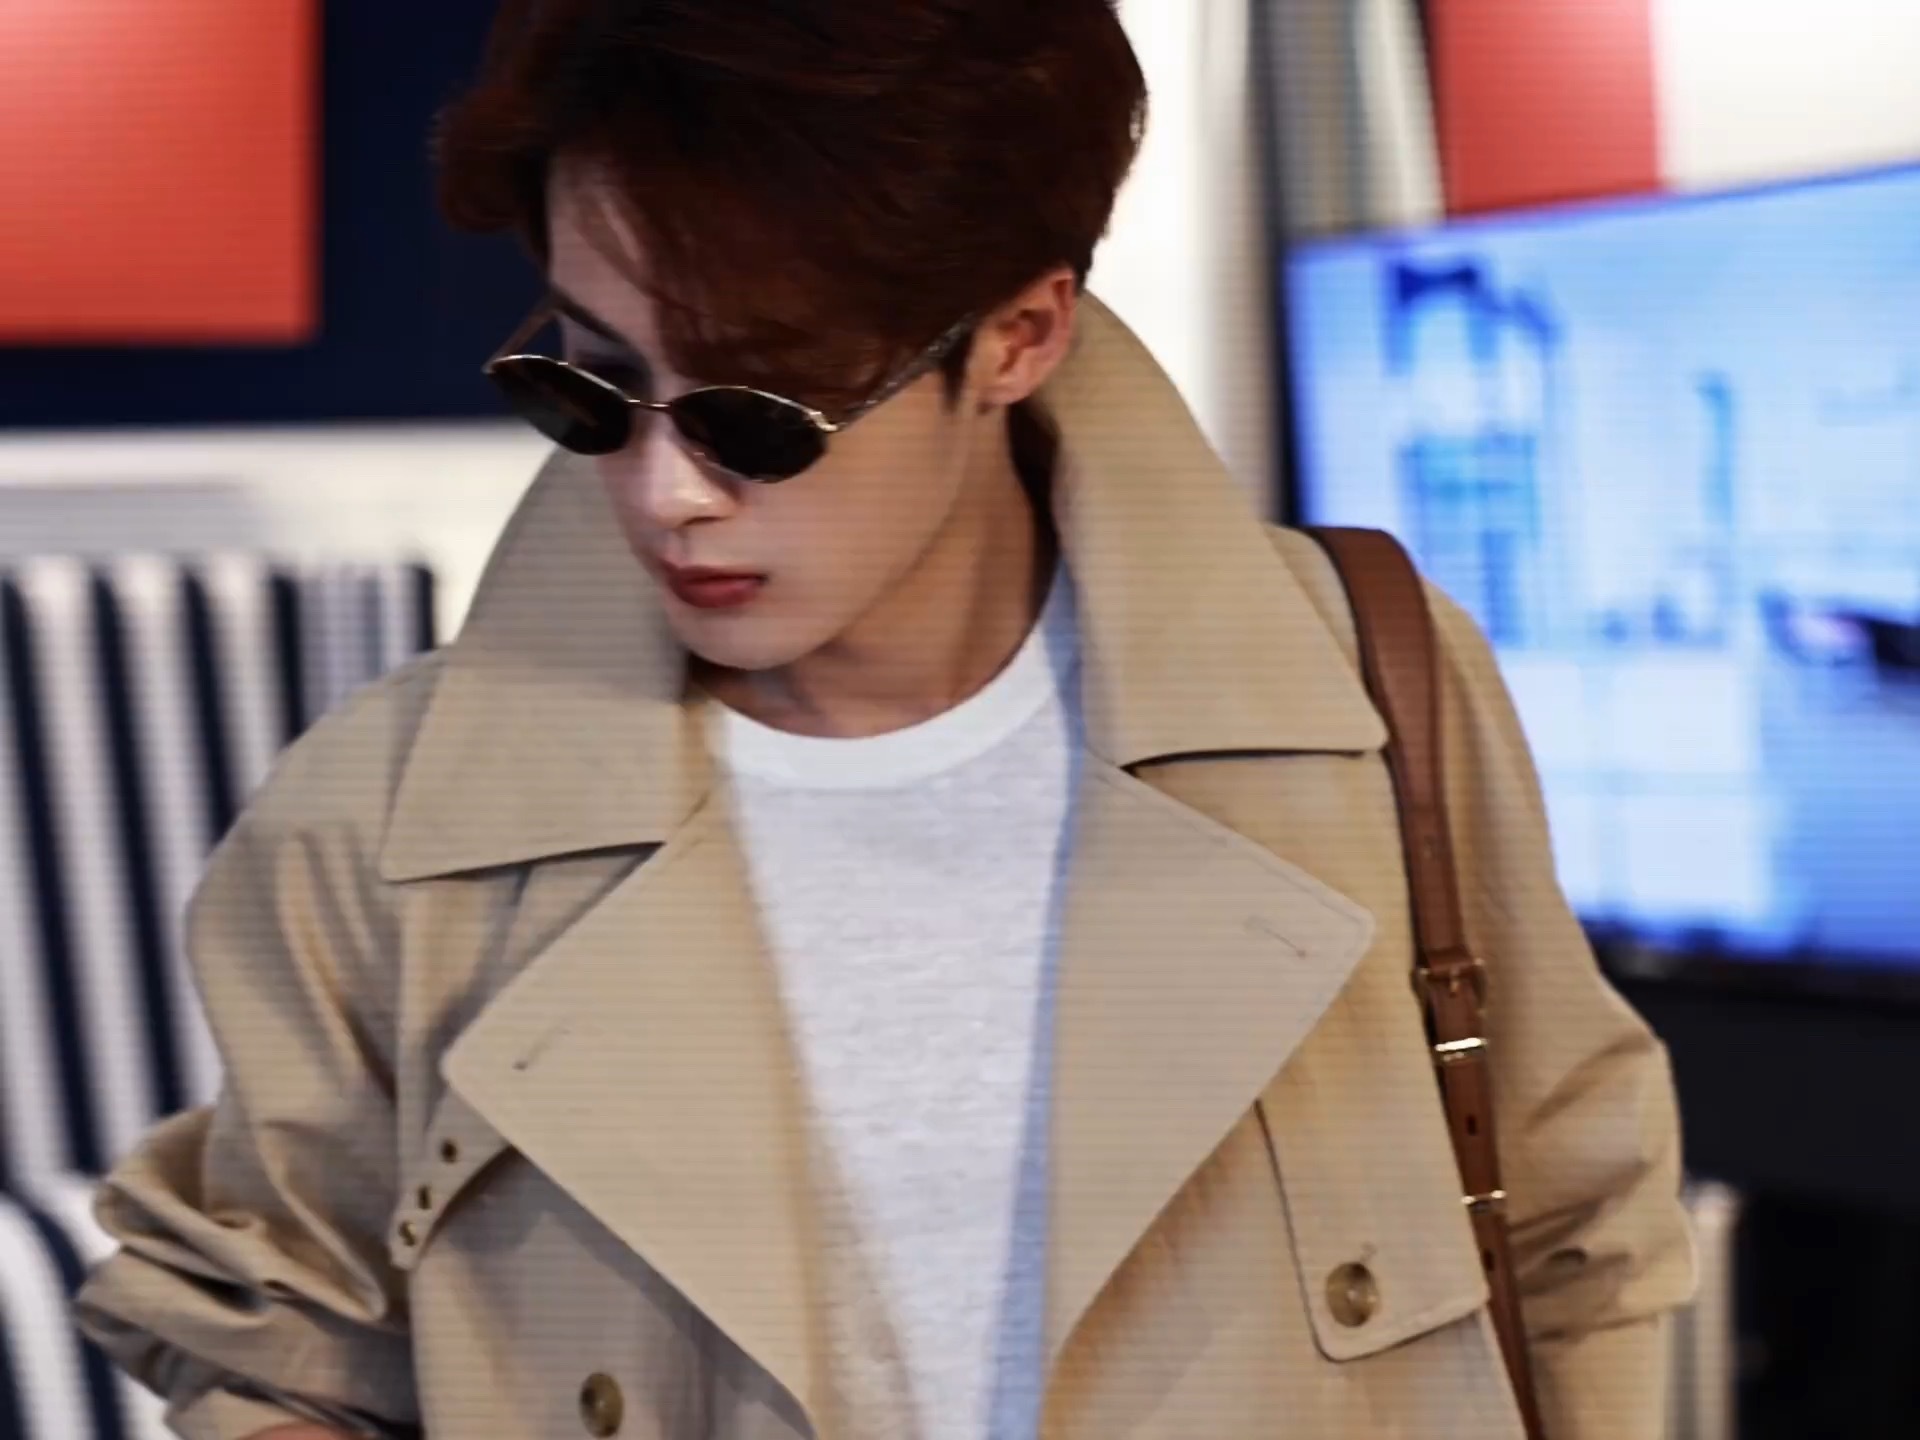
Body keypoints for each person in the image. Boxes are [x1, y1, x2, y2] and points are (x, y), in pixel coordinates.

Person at [72, 1, 1696, 1437]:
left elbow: (1575, 1228)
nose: (665, 491)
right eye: (591, 382)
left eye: (755, 414)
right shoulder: (378, 826)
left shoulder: (1370, 696)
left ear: (1018, 337)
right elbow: (274, 1348)